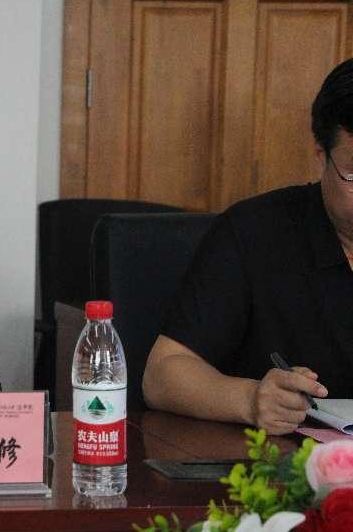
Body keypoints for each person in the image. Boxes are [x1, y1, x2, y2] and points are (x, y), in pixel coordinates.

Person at [143, 58, 353, 435]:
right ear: (321, 156)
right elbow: (163, 373)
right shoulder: (256, 232)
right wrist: (250, 399)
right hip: (276, 463)